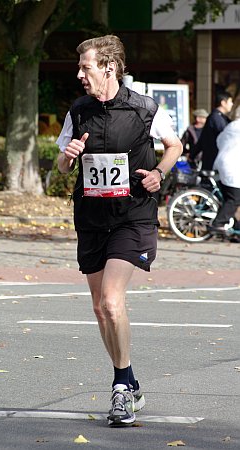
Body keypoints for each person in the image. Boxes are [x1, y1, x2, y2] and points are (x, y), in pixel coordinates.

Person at [56, 35, 183, 426]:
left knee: (112, 300)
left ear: (109, 67)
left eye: (86, 67)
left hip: (133, 217)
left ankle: (121, 390)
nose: (80, 75)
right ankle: (130, 379)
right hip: (92, 219)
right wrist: (68, 156)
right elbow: (61, 166)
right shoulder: (78, 111)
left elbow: (174, 146)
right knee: (99, 307)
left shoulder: (145, 108)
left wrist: (159, 174)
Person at [210, 104, 240, 241]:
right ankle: (218, 223)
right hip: (231, 167)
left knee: (231, 198)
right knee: (234, 198)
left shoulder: (231, 126)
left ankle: (236, 228)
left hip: (220, 163)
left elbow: (218, 141)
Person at [190, 91, 233, 170]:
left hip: (211, 161)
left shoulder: (216, 117)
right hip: (215, 161)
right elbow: (227, 137)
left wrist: (192, 155)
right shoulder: (216, 118)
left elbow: (202, 140)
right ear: (223, 103)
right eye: (230, 101)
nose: (232, 104)